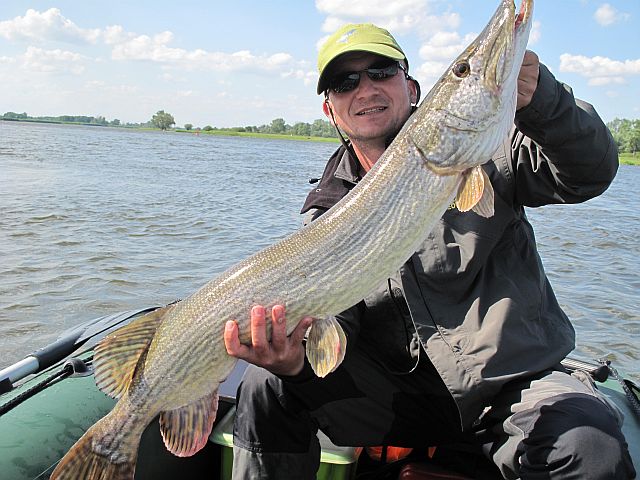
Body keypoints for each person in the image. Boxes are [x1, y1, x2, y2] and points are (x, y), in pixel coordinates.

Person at [223, 23, 636, 479]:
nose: (365, 89)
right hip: (404, 399)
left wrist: (545, 100)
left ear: (412, 88)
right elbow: (337, 328)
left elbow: (590, 171)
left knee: (588, 446)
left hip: (512, 385)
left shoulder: (491, 149)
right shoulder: (329, 210)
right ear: (331, 110)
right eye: (345, 82)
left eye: (382, 71)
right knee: (266, 384)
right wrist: (296, 362)